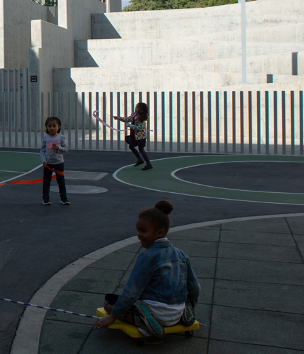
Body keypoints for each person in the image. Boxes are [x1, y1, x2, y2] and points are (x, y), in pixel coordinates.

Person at [94, 200, 200, 340]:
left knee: (108, 303)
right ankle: (185, 310)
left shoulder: (147, 256)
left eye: (143, 231)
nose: (138, 235)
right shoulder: (181, 255)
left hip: (154, 311)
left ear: (159, 232)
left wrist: (114, 316)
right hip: (177, 312)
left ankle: (142, 319)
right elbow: (194, 286)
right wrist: (191, 303)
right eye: (138, 230)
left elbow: (132, 290)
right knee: (175, 301)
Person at [39, 117, 69, 206]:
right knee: (46, 181)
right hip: (48, 164)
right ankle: (45, 198)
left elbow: (66, 149)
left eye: (54, 126)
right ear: (47, 127)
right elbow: (42, 150)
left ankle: (63, 198)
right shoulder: (45, 138)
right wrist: (43, 161)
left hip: (59, 163)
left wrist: (58, 148)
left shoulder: (61, 137)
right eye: (49, 126)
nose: (52, 128)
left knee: (61, 181)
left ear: (58, 127)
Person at [114, 102, 152, 170]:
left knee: (134, 147)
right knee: (140, 149)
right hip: (137, 135)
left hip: (140, 136)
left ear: (141, 110)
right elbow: (127, 119)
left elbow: (139, 128)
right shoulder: (134, 115)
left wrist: (130, 125)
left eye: (137, 107)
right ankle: (146, 162)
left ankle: (144, 161)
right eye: (136, 107)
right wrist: (118, 118)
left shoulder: (141, 118)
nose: (136, 108)